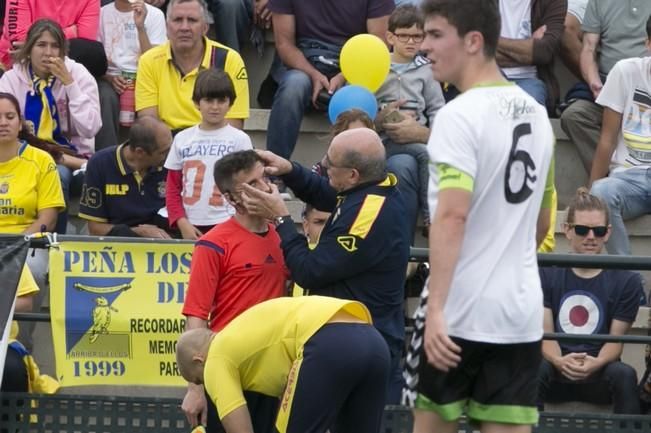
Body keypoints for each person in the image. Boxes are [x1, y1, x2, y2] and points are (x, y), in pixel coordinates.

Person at [413, 1, 555, 432]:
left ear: (473, 41)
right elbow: (543, 223)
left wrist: (436, 308)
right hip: (518, 313)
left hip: (458, 313)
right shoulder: (538, 115)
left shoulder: (457, 115)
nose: (424, 47)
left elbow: (452, 216)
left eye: (436, 35)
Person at [240, 127, 410, 404]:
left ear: (353, 174)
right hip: (348, 341)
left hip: (360, 345)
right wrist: (289, 170)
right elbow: (326, 193)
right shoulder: (372, 187)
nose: (323, 167)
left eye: (330, 163)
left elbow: (310, 271)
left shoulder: (367, 215)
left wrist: (281, 219)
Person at [180, 150, 289, 433]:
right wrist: (196, 387)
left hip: (272, 373)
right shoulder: (213, 244)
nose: (265, 188)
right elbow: (196, 318)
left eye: (263, 178)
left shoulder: (286, 239)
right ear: (230, 198)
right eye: (252, 185)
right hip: (229, 371)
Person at [176, 296, 391, 433]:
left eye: (199, 380)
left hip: (326, 342)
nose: (206, 387)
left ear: (199, 360)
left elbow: (240, 429)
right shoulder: (240, 334)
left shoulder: (215, 358)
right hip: (373, 340)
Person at [538, 188, 642, 414]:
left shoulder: (627, 280)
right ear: (567, 230)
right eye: (583, 230)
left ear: (608, 233)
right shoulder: (547, 272)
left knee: (625, 375)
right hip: (556, 369)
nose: (591, 237)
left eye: (599, 230)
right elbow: (545, 334)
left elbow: (615, 340)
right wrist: (559, 361)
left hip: (601, 371)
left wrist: (596, 363)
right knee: (532, 370)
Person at [0, 19, 101, 234]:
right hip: (24, 157)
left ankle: (56, 246)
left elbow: (91, 128)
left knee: (58, 174)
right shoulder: (11, 79)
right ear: (29, 49)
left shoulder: (78, 74)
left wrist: (69, 85)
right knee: (53, 169)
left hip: (75, 159)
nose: (48, 52)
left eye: (55, 46)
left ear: (63, 51)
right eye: (41, 45)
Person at [264, 0, 394, 160]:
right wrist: (313, 74)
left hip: (355, 61)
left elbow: (379, 43)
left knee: (356, 99)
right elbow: (284, 44)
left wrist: (345, 74)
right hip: (303, 61)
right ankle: (275, 168)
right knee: (293, 86)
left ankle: (353, 174)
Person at [0, 91, 65, 350]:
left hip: (27, 241)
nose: (3, 122)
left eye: (9, 116)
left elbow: (48, 217)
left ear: (20, 123)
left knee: (35, 270)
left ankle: (20, 346)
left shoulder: (41, 160)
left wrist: (17, 244)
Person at [560, 0, 651, 175]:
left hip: (645, 89)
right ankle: (612, 177)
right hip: (609, 86)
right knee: (574, 115)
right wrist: (594, 83)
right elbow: (588, 47)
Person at [375, 4, 445, 230]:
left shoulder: (427, 70)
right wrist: (381, 117)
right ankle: (430, 216)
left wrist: (435, 134)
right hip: (384, 140)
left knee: (428, 153)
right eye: (404, 35)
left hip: (415, 138)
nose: (411, 42)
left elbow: (436, 108)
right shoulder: (377, 65)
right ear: (390, 37)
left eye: (417, 36)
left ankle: (430, 214)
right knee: (425, 155)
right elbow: (361, 106)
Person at [588, 16, 651, 256]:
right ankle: (627, 281)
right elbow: (607, 139)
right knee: (601, 193)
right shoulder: (626, 71)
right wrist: (590, 190)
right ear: (648, 43)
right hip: (628, 178)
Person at [135, 0, 249, 133]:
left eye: (192, 20)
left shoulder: (230, 59)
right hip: (166, 144)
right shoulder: (149, 61)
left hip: (215, 143)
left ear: (205, 28)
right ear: (166, 28)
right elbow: (149, 124)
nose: (184, 27)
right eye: (178, 20)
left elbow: (234, 126)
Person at [165, 69, 253, 240]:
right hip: (190, 224)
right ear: (197, 102)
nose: (215, 107)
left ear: (231, 103)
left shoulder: (239, 140)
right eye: (208, 100)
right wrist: (181, 222)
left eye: (221, 100)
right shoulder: (182, 139)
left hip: (228, 222)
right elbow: (172, 187)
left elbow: (248, 186)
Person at [78, 116, 172, 238]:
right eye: (163, 152)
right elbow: (96, 229)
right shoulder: (100, 164)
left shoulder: (171, 163)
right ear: (140, 152)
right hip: (115, 246)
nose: (170, 155)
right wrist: (139, 232)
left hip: (164, 240)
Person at [96, 0, 167, 150]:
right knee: (105, 96)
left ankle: (151, 158)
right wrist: (109, 78)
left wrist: (140, 27)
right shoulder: (101, 13)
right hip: (110, 77)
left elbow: (155, 61)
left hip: (145, 78)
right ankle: (108, 157)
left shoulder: (155, 15)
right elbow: (96, 58)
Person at [495, 0, 566, 112]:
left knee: (528, 111)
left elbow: (544, 52)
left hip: (528, 79)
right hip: (483, 76)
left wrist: (488, 41)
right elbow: (465, 49)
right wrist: (529, 47)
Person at [0, 0, 100, 69]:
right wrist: (72, 32)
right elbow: (19, 40)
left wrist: (36, 42)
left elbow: (85, 45)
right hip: (15, 64)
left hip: (67, 64)